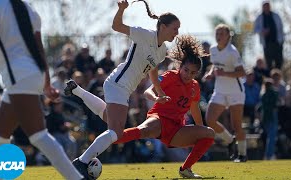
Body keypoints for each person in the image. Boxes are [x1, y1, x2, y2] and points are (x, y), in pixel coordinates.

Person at [64, 0, 180, 178]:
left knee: (107, 117)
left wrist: (160, 93)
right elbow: (116, 26)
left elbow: (153, 73)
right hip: (119, 84)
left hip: (122, 87)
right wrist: (121, 9)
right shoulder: (144, 34)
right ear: (163, 27)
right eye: (174, 28)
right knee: (116, 132)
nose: (176, 33)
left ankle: (77, 90)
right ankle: (81, 162)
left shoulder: (162, 50)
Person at [0, 0, 83, 179]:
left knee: (38, 136)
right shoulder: (29, 9)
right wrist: (46, 84)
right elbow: (40, 51)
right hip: (29, 76)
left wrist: (46, 85)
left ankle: (76, 178)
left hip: (19, 77)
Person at [112, 35, 215, 178]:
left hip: (176, 129)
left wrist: (200, 130)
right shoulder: (170, 76)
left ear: (197, 73)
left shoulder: (195, 87)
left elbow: (195, 109)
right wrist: (156, 98)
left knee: (209, 133)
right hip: (159, 118)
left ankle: (186, 169)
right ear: (180, 66)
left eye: (192, 73)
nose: (188, 75)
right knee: (143, 131)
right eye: (186, 70)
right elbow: (148, 91)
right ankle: (108, 139)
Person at [204, 24, 247, 162]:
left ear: (228, 36)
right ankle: (229, 141)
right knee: (209, 119)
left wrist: (224, 73)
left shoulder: (232, 52)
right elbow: (215, 66)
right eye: (217, 33)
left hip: (235, 92)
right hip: (220, 91)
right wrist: (210, 74)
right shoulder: (213, 49)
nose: (219, 36)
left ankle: (242, 154)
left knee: (237, 125)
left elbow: (242, 72)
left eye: (222, 34)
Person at [254, 0, 284, 70]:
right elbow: (255, 30)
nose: (266, 7)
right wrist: (262, 31)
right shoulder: (259, 17)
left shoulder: (276, 15)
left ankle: (277, 75)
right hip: (267, 44)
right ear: (262, 7)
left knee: (279, 61)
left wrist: (282, 40)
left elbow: (281, 27)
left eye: (268, 5)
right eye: (265, 6)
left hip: (277, 43)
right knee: (268, 62)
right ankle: (270, 77)